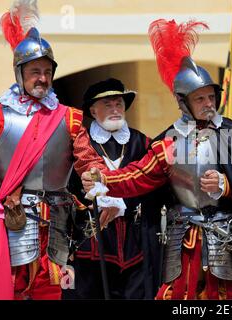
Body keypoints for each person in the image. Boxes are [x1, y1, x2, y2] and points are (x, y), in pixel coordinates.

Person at [82, 19, 232, 300]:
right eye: (200, 99)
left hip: (230, 241)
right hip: (184, 243)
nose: (208, 103)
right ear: (182, 101)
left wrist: (227, 185)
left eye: (211, 97)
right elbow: (138, 176)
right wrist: (104, 179)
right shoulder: (169, 142)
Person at [0, 1, 104, 300]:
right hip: (11, 218)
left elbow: (86, 157)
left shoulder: (69, 117)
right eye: (35, 71)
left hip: (56, 220)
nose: (42, 78)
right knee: (13, 289)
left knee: (51, 290)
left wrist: (96, 175)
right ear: (20, 72)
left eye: (47, 71)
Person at [63, 78, 162, 299]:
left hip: (134, 243)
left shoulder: (142, 142)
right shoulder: (81, 143)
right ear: (92, 110)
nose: (115, 109)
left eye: (118, 104)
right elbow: (69, 187)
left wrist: (122, 204)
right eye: (108, 105)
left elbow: (153, 184)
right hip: (90, 243)